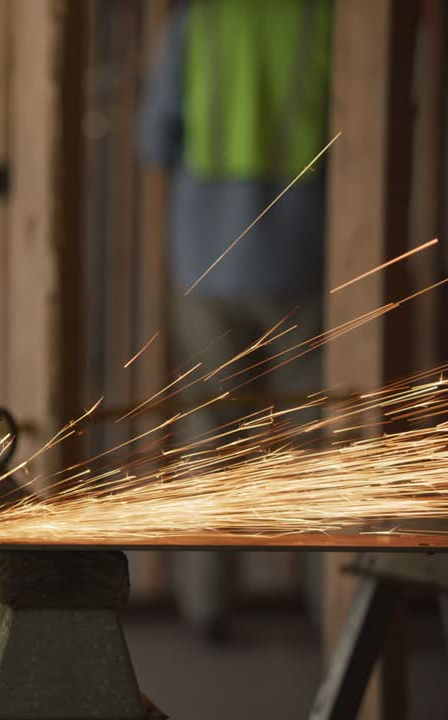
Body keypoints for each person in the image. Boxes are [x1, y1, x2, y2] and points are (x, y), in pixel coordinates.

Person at [138, 0, 331, 642]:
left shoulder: (201, 22)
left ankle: (208, 603)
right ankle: (332, 601)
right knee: (316, 429)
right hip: (304, 254)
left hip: (206, 258)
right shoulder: (322, 19)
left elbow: (155, 139)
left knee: (211, 427)